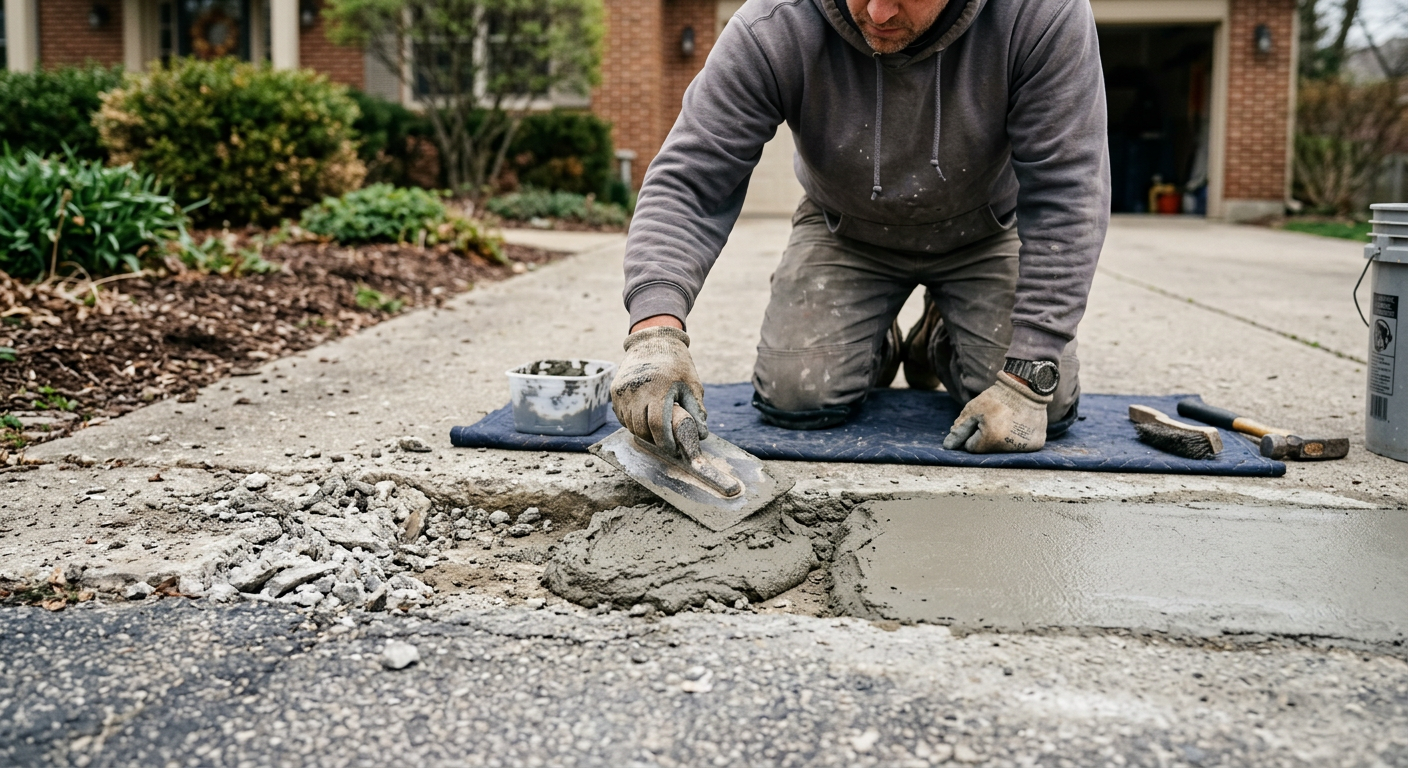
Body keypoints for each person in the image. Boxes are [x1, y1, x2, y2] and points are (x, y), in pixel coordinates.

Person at [610, 0, 1110, 456]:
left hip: (986, 231)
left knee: (1051, 400)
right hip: (844, 232)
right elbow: (693, 178)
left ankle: (942, 334)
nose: (877, 11)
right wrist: (655, 332)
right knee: (798, 395)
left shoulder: (1042, 15)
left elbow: (1068, 190)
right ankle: (879, 337)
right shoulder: (774, 24)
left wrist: (1029, 373)